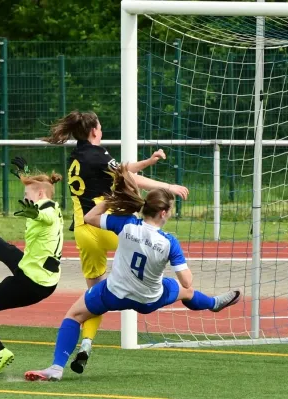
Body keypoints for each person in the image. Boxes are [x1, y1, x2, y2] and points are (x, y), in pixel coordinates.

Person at [24, 164, 240, 382]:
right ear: (164, 213)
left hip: (114, 294)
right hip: (149, 299)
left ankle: (56, 367)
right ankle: (213, 304)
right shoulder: (169, 242)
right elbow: (186, 281)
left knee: (74, 316)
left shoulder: (126, 224)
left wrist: (111, 198)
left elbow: (89, 218)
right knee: (188, 292)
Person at [40, 110, 190, 374]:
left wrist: (148, 161)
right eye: (99, 124)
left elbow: (124, 169)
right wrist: (167, 187)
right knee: (147, 242)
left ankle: (86, 344)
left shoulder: (76, 156)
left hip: (84, 230)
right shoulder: (98, 154)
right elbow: (128, 177)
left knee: (92, 296)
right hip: (105, 222)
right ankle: (149, 290)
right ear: (94, 131)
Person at [0, 169, 64, 374]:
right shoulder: (54, 206)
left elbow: (44, 216)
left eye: (26, 195)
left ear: (39, 195)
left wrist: (36, 213)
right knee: (12, 253)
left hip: (31, 283)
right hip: (44, 276)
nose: (24, 199)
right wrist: (25, 173)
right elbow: (43, 194)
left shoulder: (44, 212)